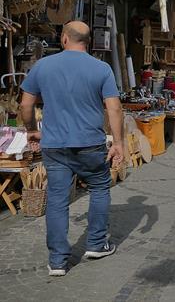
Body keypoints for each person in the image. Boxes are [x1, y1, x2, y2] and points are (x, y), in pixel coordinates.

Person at [20, 21, 124, 277]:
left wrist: (31, 129)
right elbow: (115, 108)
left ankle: (57, 261)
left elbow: (25, 104)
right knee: (100, 187)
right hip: (90, 143)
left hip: (55, 145)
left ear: (65, 39)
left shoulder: (43, 65)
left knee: (57, 200)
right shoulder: (102, 68)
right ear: (87, 41)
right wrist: (119, 143)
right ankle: (97, 244)